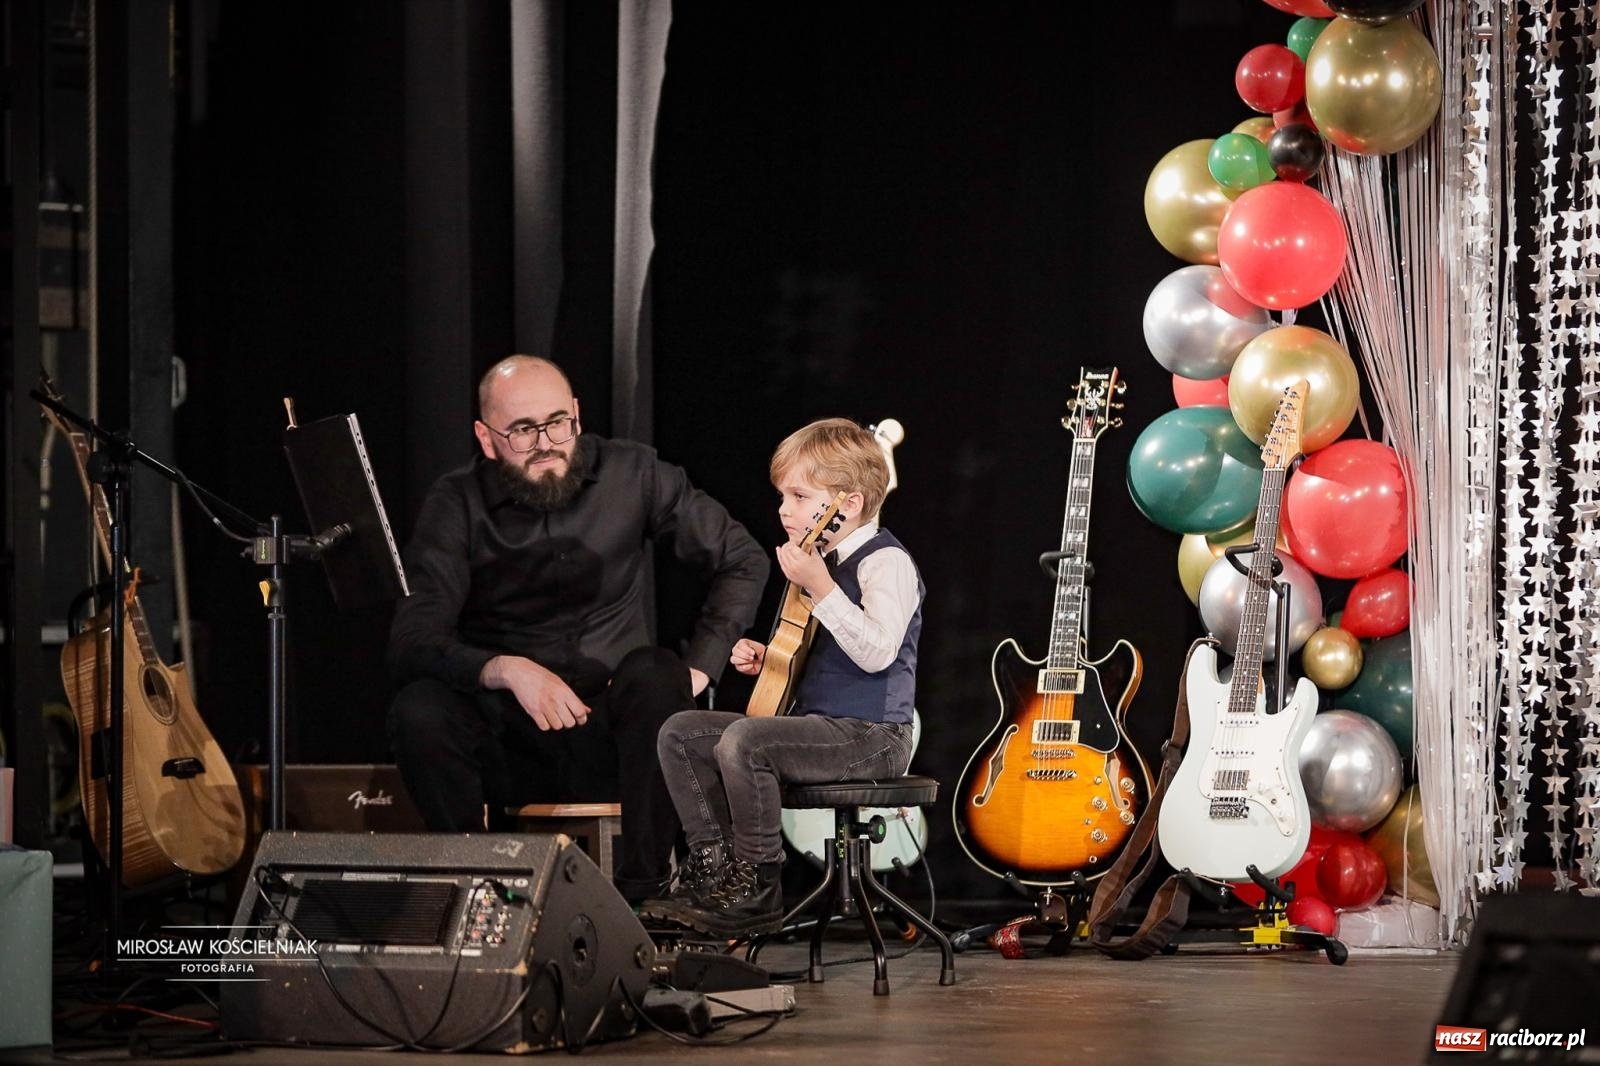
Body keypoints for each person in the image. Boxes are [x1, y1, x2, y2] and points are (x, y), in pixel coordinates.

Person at [386, 355, 768, 904]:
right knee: (419, 709)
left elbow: (742, 557)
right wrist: (506, 670)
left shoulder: (633, 472)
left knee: (658, 673)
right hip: (510, 742)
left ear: (577, 416)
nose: (545, 442)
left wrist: (701, 667)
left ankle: (647, 895)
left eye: (556, 422)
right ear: (487, 437)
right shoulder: (457, 501)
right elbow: (412, 640)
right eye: (522, 430)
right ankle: (480, 893)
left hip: (620, 738)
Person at [642, 418, 921, 938]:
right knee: (680, 732)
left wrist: (822, 588)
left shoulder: (885, 562)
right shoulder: (821, 563)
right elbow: (817, 649)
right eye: (783, 496)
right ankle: (714, 872)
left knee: (747, 741)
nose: (783, 509)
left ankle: (757, 884)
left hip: (875, 735)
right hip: (824, 726)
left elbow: (878, 653)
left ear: (850, 503)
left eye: (798, 495)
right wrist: (769, 657)